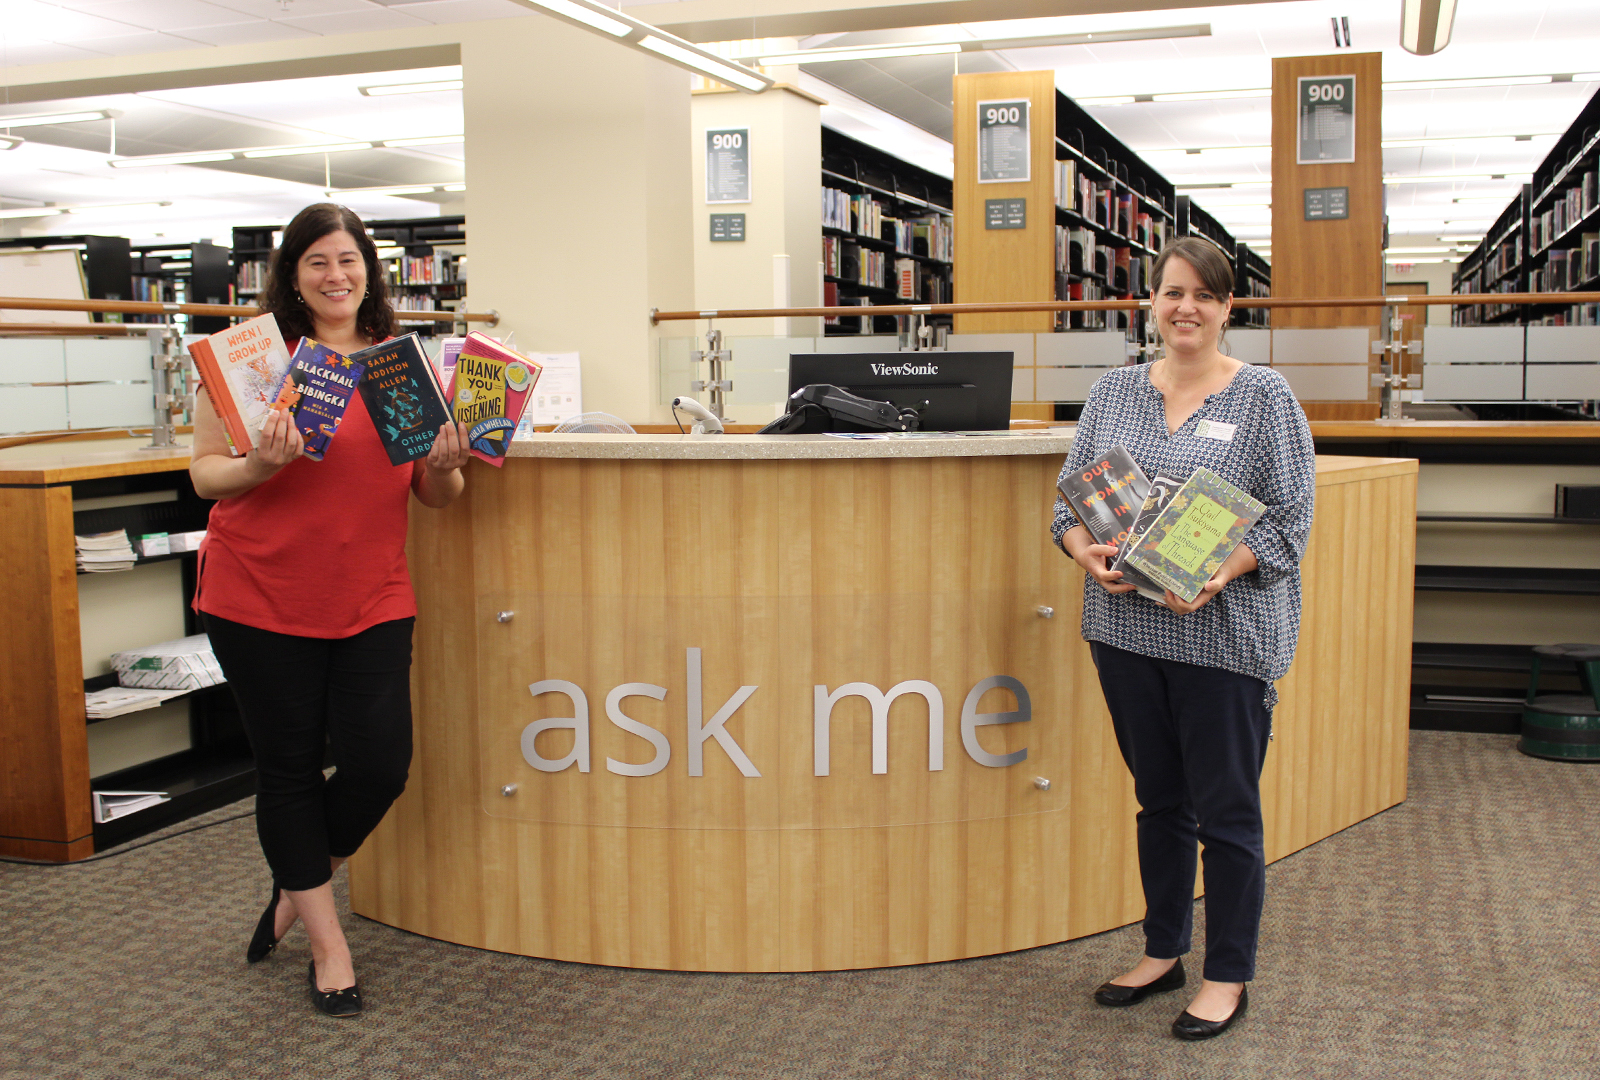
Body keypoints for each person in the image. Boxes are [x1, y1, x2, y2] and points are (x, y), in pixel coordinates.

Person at [189, 203, 472, 1017]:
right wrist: (261, 466)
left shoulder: (397, 367)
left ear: (370, 270)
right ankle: (327, 944)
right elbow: (207, 476)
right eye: (316, 261)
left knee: (382, 764)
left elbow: (435, 495)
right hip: (257, 592)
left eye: (348, 259)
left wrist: (449, 464)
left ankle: (296, 884)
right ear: (292, 274)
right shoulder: (253, 360)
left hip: (373, 594)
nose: (335, 275)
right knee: (286, 768)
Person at [1052, 236, 1315, 1040]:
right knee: (1158, 801)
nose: (1186, 308)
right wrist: (1083, 552)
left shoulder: (1264, 398)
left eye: (1204, 294)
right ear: (1153, 303)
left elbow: (1291, 524)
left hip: (1222, 639)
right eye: (1172, 293)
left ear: (1228, 307)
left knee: (1227, 812)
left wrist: (1221, 572)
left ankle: (1227, 974)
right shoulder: (1114, 392)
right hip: (1126, 632)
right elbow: (1069, 508)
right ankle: (1163, 950)